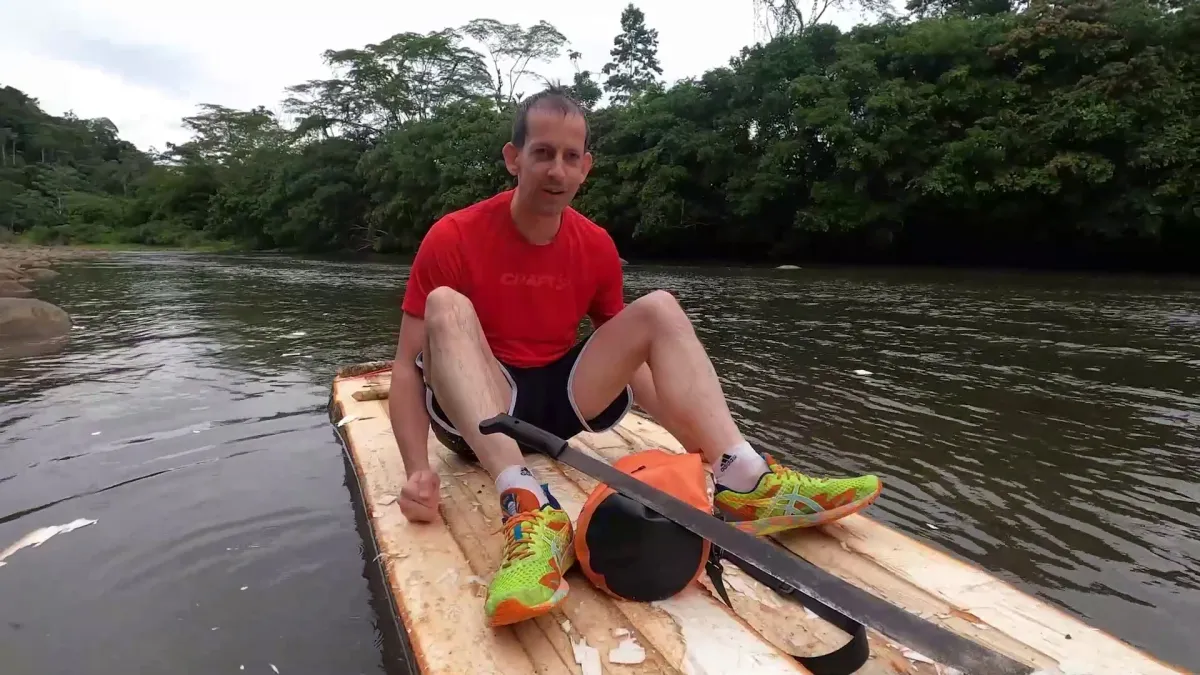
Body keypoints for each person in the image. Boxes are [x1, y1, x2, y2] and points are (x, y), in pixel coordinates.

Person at [387, 88, 882, 628]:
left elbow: (639, 358)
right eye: (542, 153)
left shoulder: (595, 245)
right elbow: (408, 367)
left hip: (555, 407)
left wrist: (698, 445)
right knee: (445, 305)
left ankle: (745, 478)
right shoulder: (453, 235)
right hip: (475, 414)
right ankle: (528, 509)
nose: (556, 170)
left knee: (659, 310)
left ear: (585, 168)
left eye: (570, 157)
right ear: (514, 158)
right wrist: (417, 469)